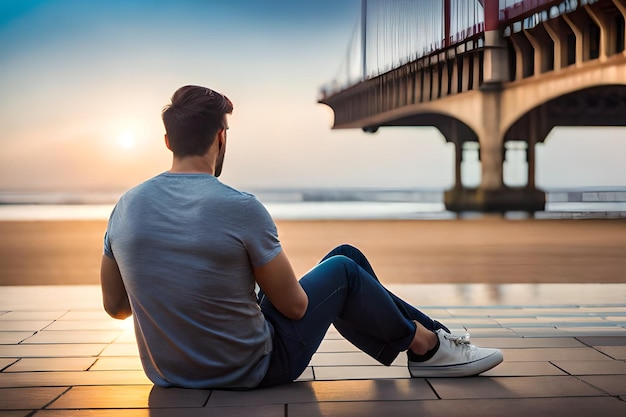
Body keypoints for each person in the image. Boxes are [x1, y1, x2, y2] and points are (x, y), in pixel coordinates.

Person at [100, 85, 503, 390]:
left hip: (168, 374)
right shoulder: (239, 207)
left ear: (168, 141)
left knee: (344, 256)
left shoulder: (126, 207)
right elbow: (294, 308)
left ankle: (431, 340)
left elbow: (117, 308)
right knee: (344, 269)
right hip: (254, 369)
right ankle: (427, 346)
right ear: (222, 138)